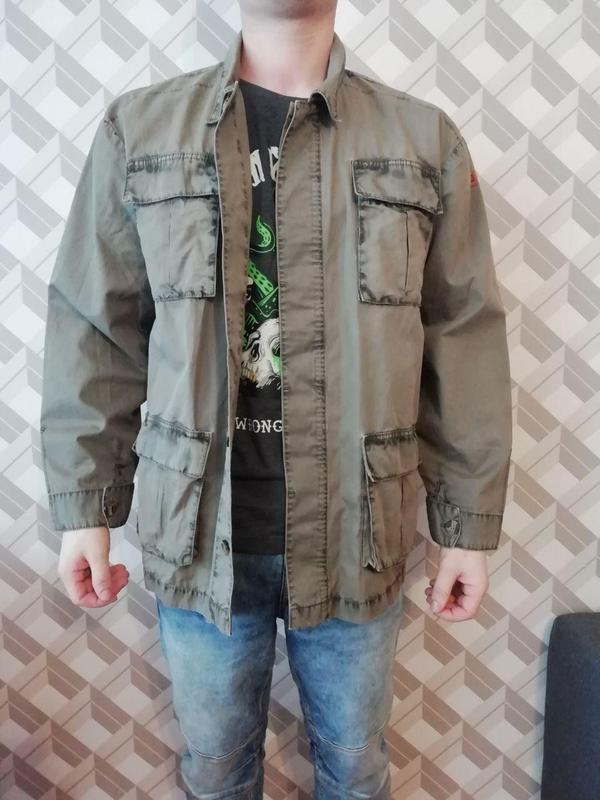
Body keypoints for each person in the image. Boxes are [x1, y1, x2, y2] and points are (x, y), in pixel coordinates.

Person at [39, 1, 513, 798]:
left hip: (357, 533)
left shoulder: (420, 141)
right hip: (199, 533)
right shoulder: (141, 132)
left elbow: (462, 339)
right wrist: (87, 505)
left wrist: (464, 524)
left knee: (355, 770)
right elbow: (96, 328)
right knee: (217, 772)